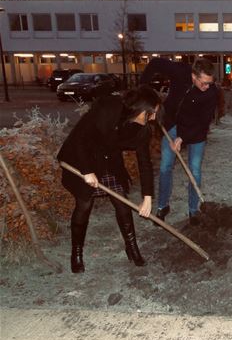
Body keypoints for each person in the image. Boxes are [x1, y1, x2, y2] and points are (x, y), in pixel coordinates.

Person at [57, 86, 162, 273]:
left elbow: (144, 162)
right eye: (151, 113)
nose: (153, 118)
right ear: (140, 109)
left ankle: (132, 248)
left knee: (121, 201)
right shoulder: (108, 107)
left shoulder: (142, 130)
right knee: (84, 204)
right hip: (82, 156)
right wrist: (87, 171)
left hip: (108, 159)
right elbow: (81, 137)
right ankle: (77, 253)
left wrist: (147, 197)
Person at [140, 57, 218, 226]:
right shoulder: (180, 71)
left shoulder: (211, 93)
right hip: (172, 124)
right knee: (165, 167)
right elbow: (154, 63)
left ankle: (193, 210)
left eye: (209, 83)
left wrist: (183, 138)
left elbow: (203, 122)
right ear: (194, 75)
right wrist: (143, 88)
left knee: (195, 170)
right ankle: (162, 206)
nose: (207, 87)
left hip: (195, 130)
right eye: (204, 83)